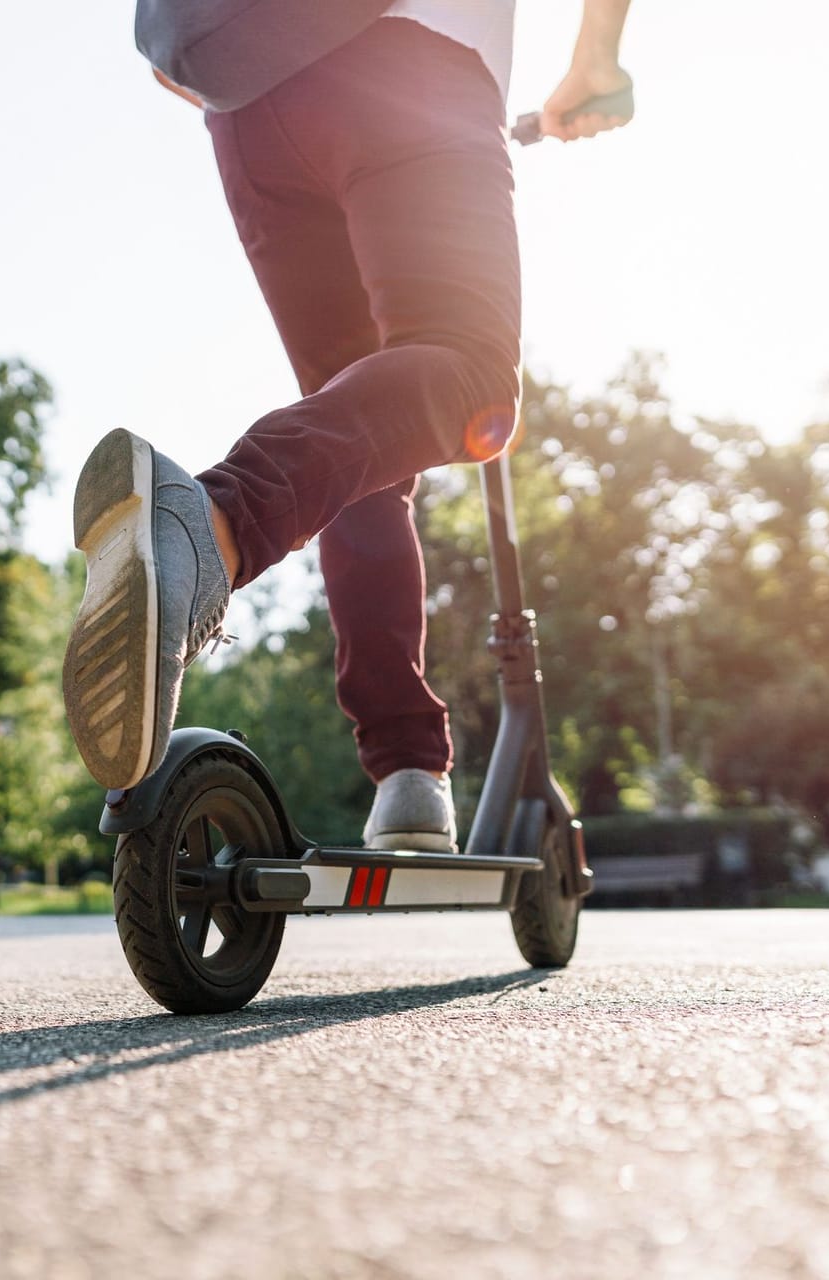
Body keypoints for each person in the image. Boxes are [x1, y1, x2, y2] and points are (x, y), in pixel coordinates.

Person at [64, 1, 634, 852]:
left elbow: (167, 61)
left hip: (246, 113)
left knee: (361, 430)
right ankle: (212, 524)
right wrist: (595, 58)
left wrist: (282, 76)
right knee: (471, 375)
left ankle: (410, 772)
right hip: (415, 66)